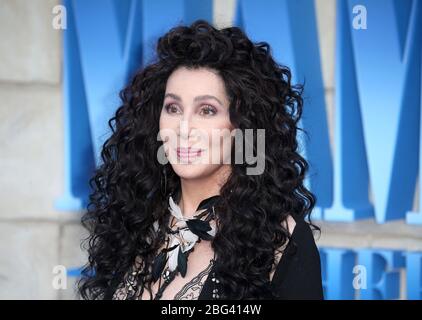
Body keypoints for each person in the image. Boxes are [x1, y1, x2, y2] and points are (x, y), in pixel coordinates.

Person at [78, 19, 323, 300]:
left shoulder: (280, 241)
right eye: (173, 108)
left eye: (206, 110)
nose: (183, 129)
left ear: (242, 125)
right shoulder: (136, 220)